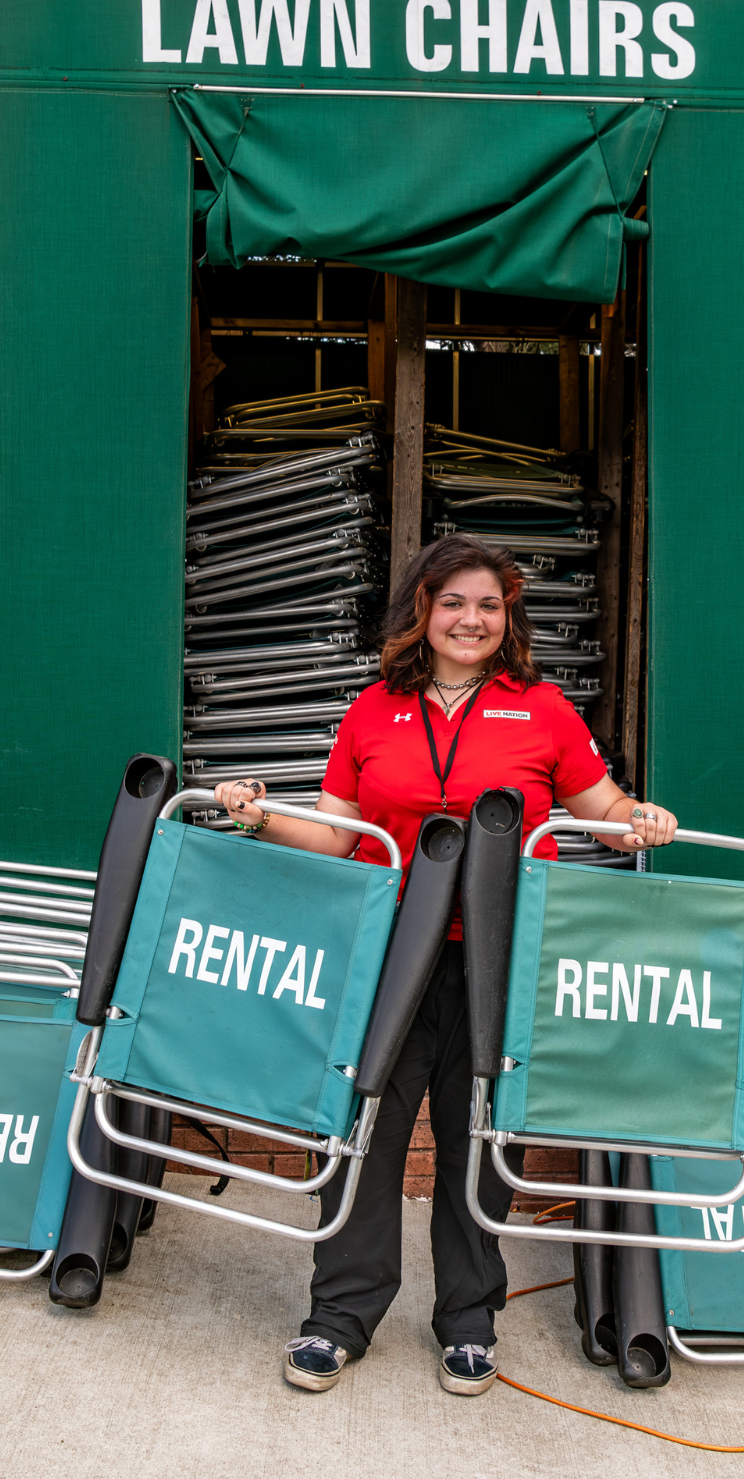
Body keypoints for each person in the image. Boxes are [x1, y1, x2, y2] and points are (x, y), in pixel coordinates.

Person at [213, 532, 679, 1399]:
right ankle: (338, 1318)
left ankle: (469, 1323)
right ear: (422, 610)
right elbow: (337, 833)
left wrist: (638, 816)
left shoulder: (541, 709)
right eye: (454, 601)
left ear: (509, 620)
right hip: (387, 959)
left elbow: (602, 807)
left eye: (490, 605)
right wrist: (256, 818)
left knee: (476, 1142)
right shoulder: (371, 711)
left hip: (494, 965)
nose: (472, 619)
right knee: (364, 1140)